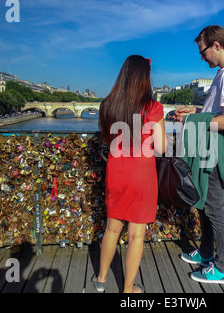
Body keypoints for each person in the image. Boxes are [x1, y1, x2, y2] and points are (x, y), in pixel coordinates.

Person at [174, 25, 224, 284]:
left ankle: (223, 268)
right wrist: (194, 110)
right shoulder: (223, 73)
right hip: (208, 145)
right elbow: (215, 110)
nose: (201, 57)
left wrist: (194, 118)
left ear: (216, 45)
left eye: (202, 51)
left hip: (217, 148)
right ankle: (206, 254)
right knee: (204, 204)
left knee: (214, 208)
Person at [92, 55, 167, 293]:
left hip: (116, 172)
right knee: (136, 235)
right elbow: (162, 147)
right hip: (142, 176)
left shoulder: (108, 105)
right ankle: (128, 290)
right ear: (145, 78)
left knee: (112, 228)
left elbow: (106, 139)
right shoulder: (153, 108)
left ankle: (101, 280)